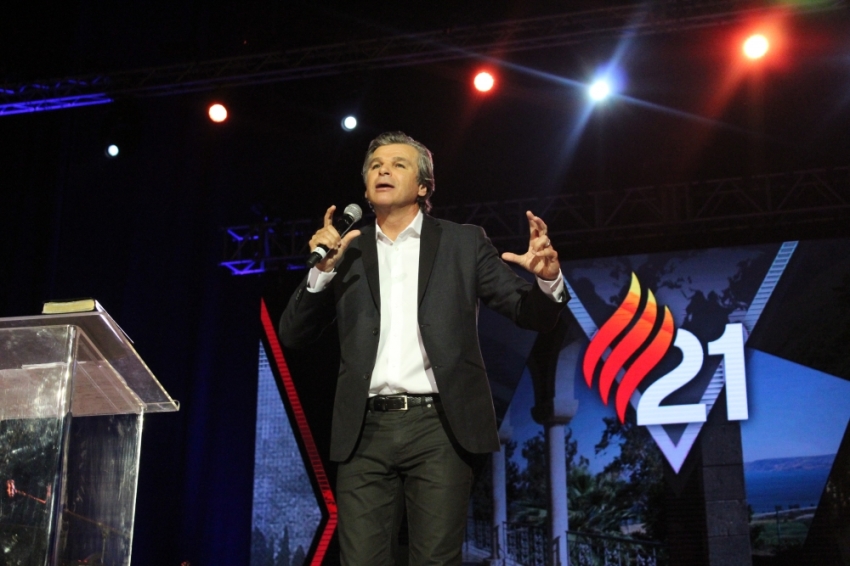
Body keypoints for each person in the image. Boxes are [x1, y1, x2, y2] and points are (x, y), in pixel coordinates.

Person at [279, 131, 567, 566]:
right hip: (364, 430)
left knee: (435, 560)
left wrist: (546, 281)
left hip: (439, 428)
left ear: (423, 186)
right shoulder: (347, 251)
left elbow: (529, 314)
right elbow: (292, 335)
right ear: (365, 188)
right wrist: (322, 271)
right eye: (375, 165)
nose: (383, 170)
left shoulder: (463, 243)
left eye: (397, 164)